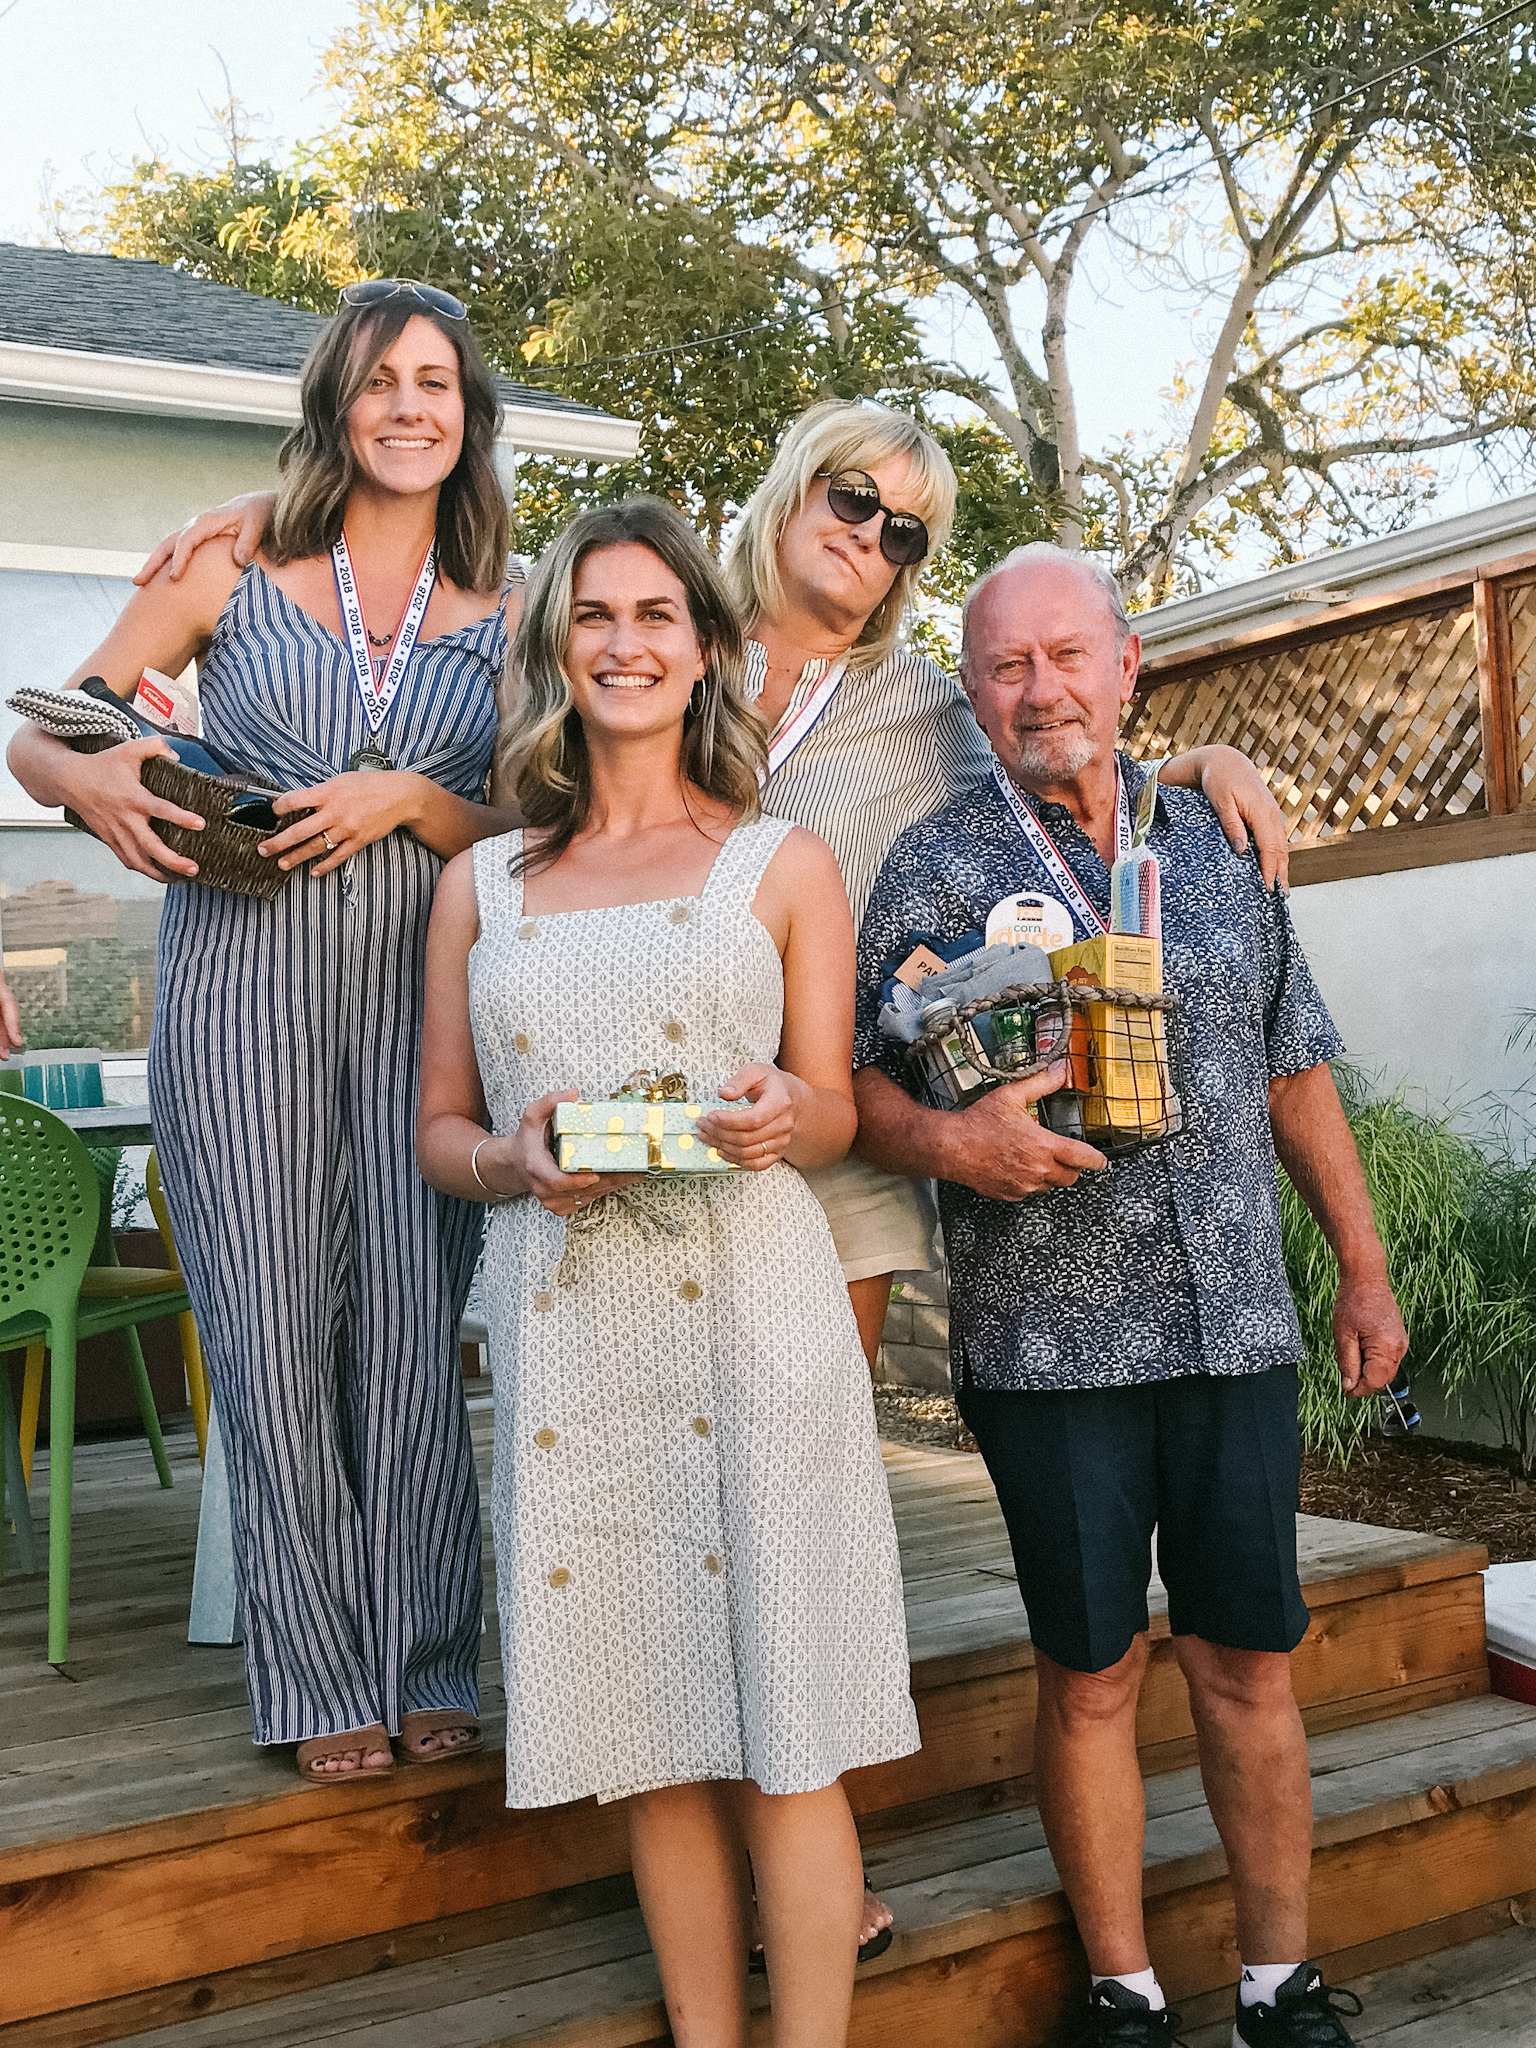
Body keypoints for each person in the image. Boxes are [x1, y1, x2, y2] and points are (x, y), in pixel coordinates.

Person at [140, 397, 1289, 1939]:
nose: (872, 536)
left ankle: (824, 1866)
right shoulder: (658, 617)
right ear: (784, 485)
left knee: (802, 1503)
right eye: (849, 496)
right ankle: (682, 1797)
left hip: (833, 1129)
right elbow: (486, 710)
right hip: (623, 1130)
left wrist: (1207, 751)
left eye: (908, 530)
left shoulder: (929, 714)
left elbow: (1069, 728)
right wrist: (262, 538)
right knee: (656, 1493)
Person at [850, 543, 1409, 2048]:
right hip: (1050, 1343)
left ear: (1127, 659)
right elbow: (857, 1094)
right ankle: (1122, 1990)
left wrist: (1362, 1266)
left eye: (1066, 656)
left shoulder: (1222, 836)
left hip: (1235, 1324)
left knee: (1248, 1662)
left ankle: (1280, 1985)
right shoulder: (936, 867)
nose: (1042, 691)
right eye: (1007, 668)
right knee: (1089, 1675)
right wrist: (952, 1138)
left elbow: (1297, 1067)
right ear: (975, 691)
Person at [415, 496, 918, 2048]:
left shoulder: (784, 863)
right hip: (576, 1339)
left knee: (790, 1730)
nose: (625, 645)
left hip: (756, 1323)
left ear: (706, 648)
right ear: (556, 647)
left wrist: (786, 1111)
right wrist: (514, 1158)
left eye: (656, 617)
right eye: (594, 616)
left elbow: (830, 1103)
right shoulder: (482, 885)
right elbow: (442, 1129)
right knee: (646, 1726)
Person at [7, 281, 523, 1779]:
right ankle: (313, 1676)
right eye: (381, 380)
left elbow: (545, 819)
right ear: (337, 407)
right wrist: (87, 779)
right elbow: (55, 721)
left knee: (418, 1338)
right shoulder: (234, 560)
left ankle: (429, 1654)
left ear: (468, 417)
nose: (410, 406)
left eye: (437, 381)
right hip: (238, 1005)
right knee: (270, 1330)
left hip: (429, 1016)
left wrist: (423, 802)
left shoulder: (514, 613)